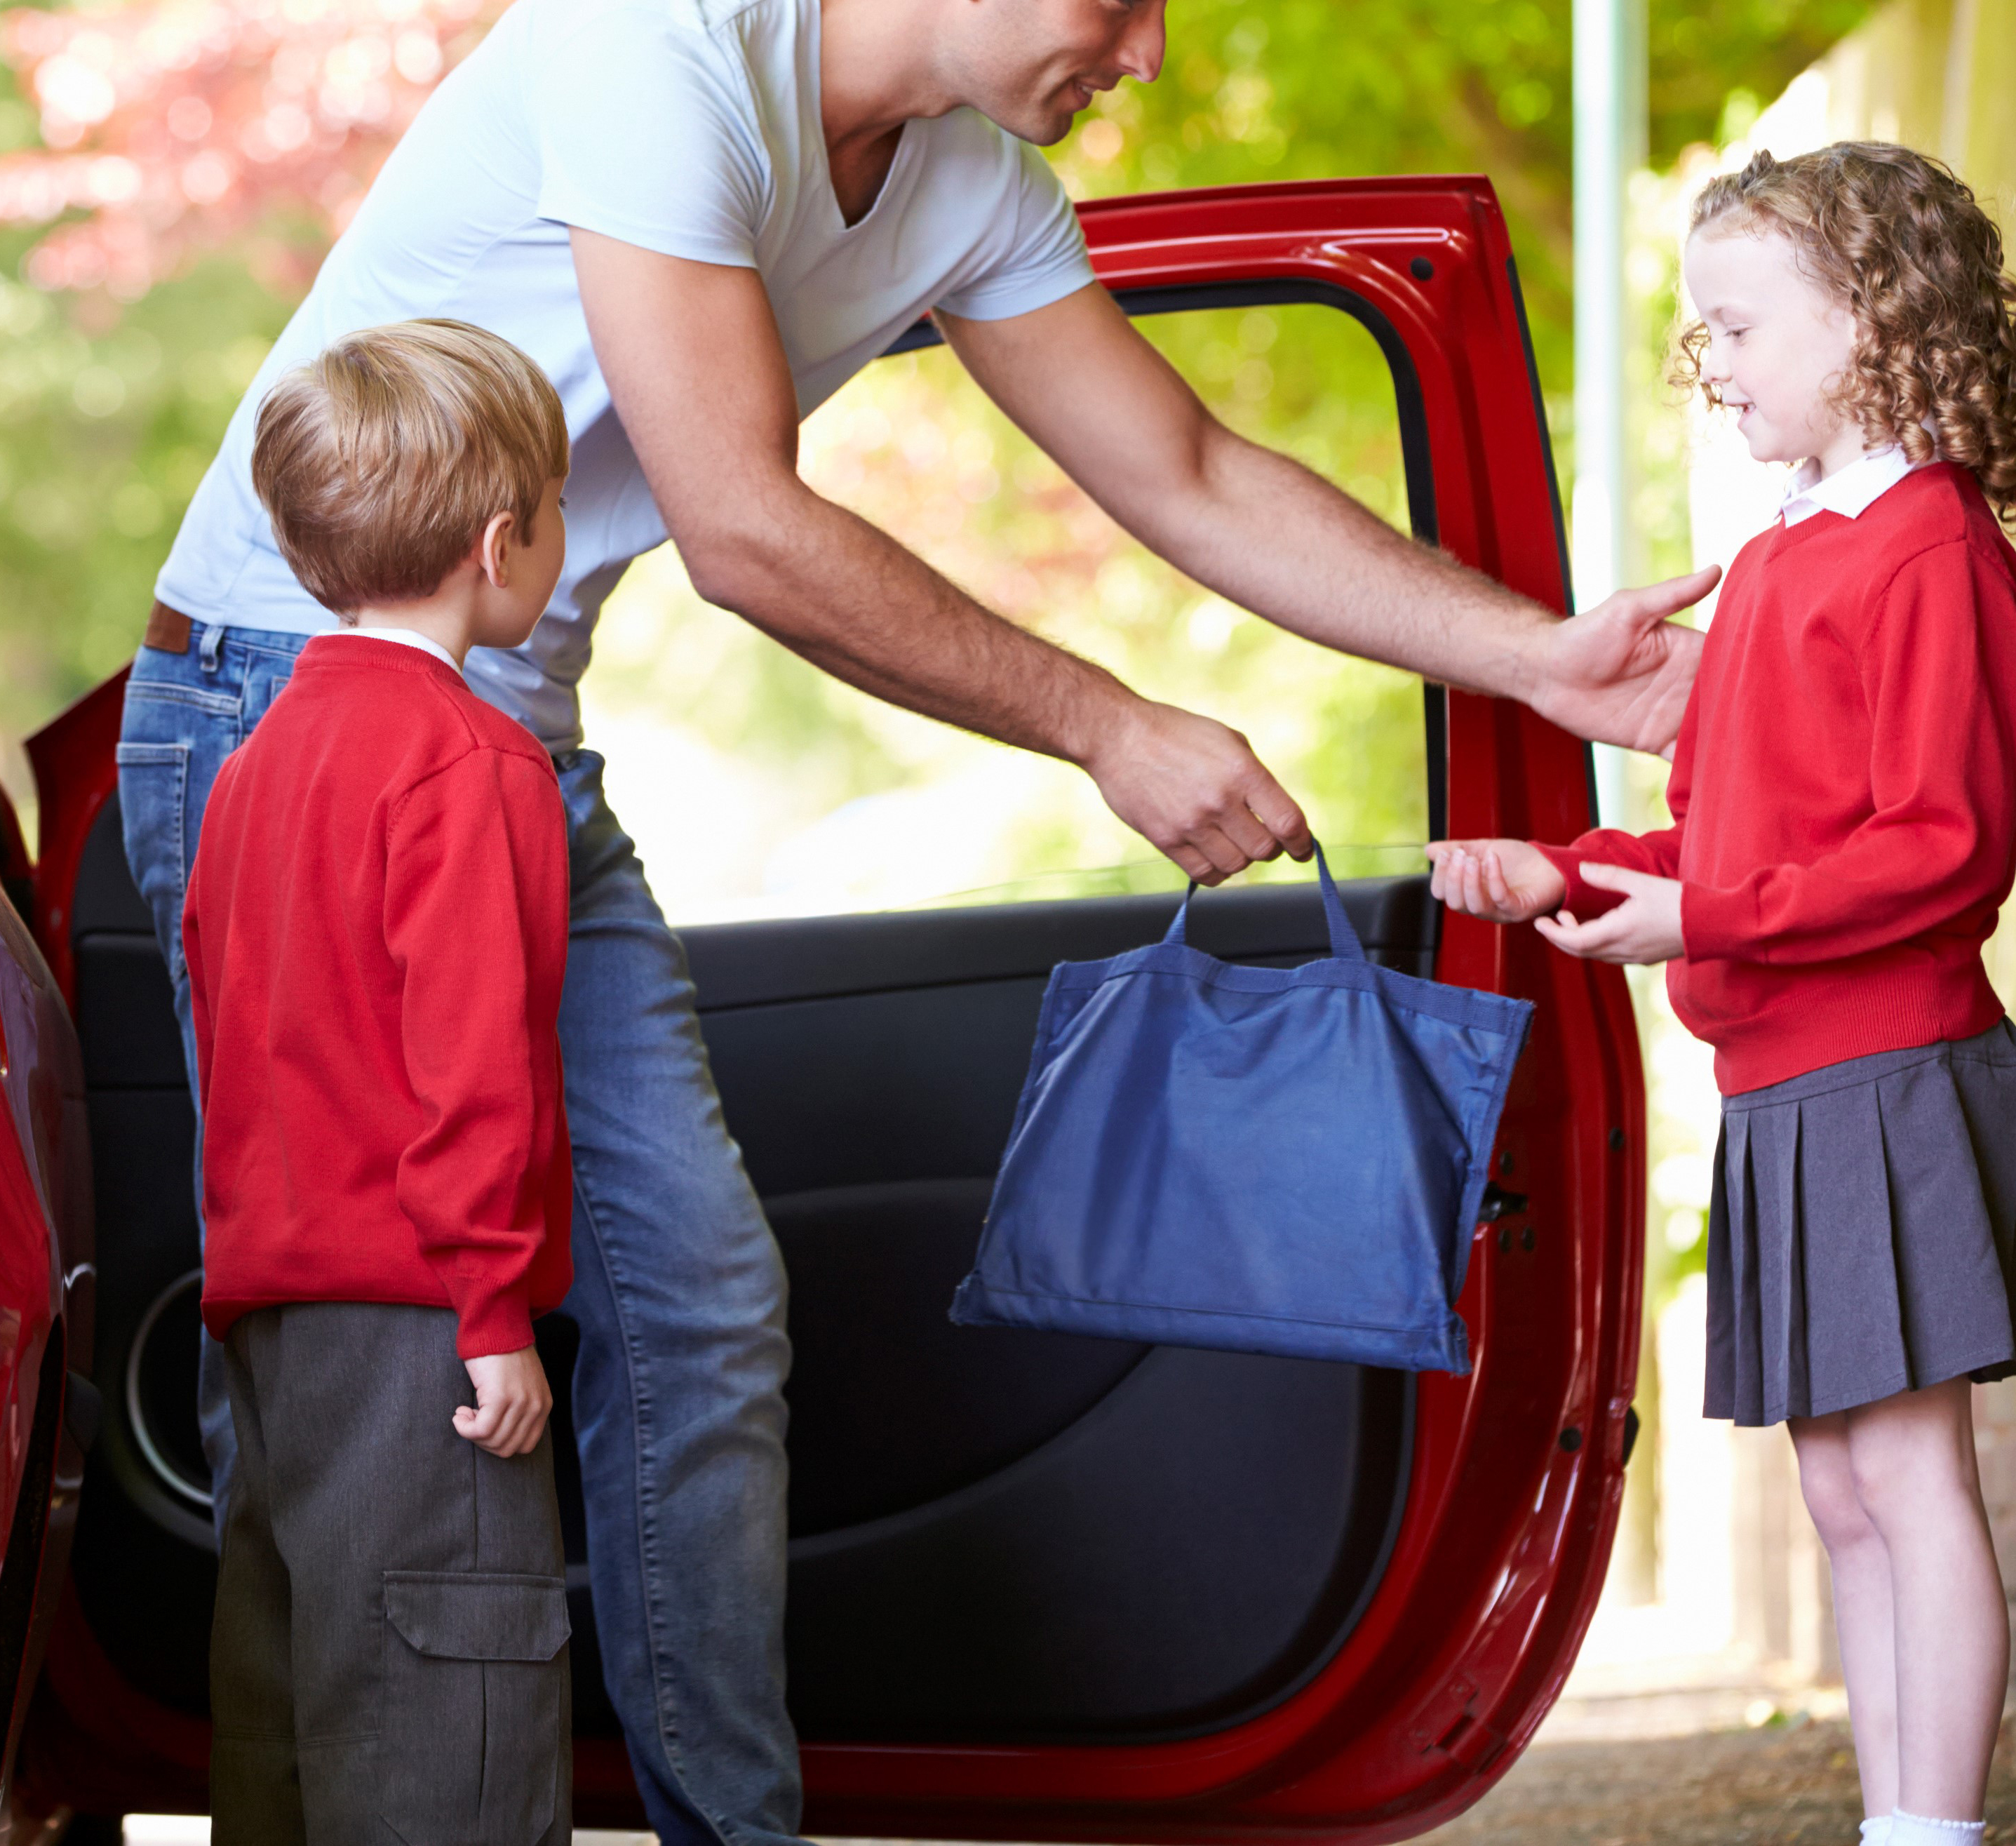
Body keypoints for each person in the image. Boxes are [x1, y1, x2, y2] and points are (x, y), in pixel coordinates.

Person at [124, 0, 1716, 1836]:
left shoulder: (974, 189)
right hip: (292, 702)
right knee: (350, 1351)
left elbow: (1186, 476)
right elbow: (742, 529)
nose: (1143, 59)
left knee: (702, 1307)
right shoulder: (658, 55)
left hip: (515, 736)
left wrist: (1540, 660)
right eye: (1119, 5)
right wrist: (1108, 727)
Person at [1426, 143, 2016, 1846]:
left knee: (1907, 1473)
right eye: (1698, 328)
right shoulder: (1783, 555)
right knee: (1837, 1478)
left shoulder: (1925, 547)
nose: (1706, 361)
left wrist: (1696, 905)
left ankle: (1930, 1830)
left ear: (1869, 321)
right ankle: (1896, 1815)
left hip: (1890, 1067)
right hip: (1783, 1080)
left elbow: (1940, 851)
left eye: (1735, 323)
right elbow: (1733, 831)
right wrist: (1566, 867)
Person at [180, 319, 579, 1845]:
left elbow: (232, 1039)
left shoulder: (254, 767)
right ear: (500, 545)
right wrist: (493, 1313)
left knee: (290, 1725)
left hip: (272, 1322)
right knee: (442, 1741)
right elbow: (471, 1059)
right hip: (422, 1330)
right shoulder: (472, 765)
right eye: (554, 507)